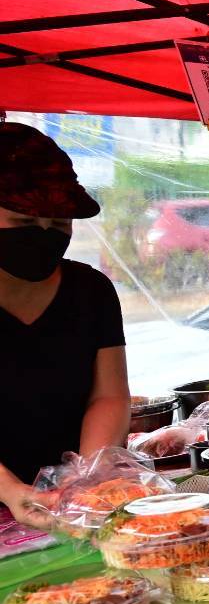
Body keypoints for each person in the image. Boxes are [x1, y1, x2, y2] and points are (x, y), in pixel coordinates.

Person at [0, 122, 129, 528]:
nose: (43, 234)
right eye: (23, 222)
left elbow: (108, 396)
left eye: (58, 224)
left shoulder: (90, 290)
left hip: (73, 503)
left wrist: (88, 477)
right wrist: (11, 491)